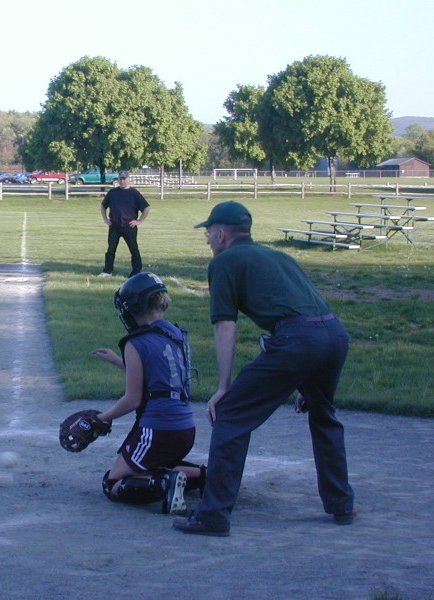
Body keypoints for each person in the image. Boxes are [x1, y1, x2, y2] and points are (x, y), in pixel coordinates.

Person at [173, 201, 354, 537]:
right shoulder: (279, 256)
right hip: (334, 335)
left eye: (210, 232)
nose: (208, 239)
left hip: (299, 341)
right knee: (324, 415)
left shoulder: (225, 262)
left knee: (230, 415)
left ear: (223, 234)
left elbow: (225, 325)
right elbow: (309, 315)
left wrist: (223, 388)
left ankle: (212, 516)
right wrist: (307, 385)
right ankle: (342, 504)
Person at [91, 272, 205, 515]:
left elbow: (133, 399)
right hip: (185, 429)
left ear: (134, 307)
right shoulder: (176, 334)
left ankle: (165, 484)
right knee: (149, 466)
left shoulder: (136, 342)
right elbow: (159, 378)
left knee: (113, 483)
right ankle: (207, 477)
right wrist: (118, 361)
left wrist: (102, 418)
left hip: (158, 431)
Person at [99, 172, 150, 278]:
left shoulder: (134, 193)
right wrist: (105, 219)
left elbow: (146, 208)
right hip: (114, 227)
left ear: (128, 179)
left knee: (134, 250)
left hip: (129, 227)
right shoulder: (113, 192)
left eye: (124, 179)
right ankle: (107, 271)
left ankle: (136, 272)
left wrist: (139, 221)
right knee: (111, 249)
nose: (122, 181)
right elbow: (103, 206)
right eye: (120, 179)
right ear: (117, 180)